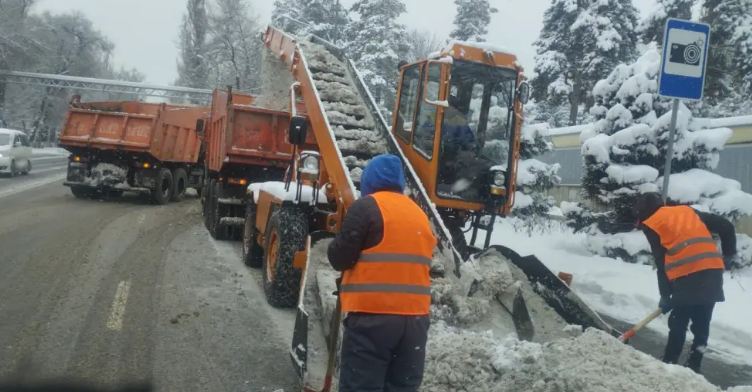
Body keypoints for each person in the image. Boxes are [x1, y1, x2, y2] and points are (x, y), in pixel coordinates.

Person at [328, 154, 437, 392]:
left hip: (373, 318)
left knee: (361, 386)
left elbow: (340, 257)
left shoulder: (366, 207)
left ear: (369, 180)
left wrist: (334, 243)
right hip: (416, 322)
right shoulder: (419, 214)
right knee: (401, 387)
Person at [635, 192, 737, 373]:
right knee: (702, 322)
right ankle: (694, 363)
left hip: (688, 276)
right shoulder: (686, 211)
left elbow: (661, 262)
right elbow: (727, 226)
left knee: (678, 322)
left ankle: (670, 364)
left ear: (644, 212)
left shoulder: (653, 224)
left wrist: (665, 295)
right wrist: (728, 255)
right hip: (712, 271)